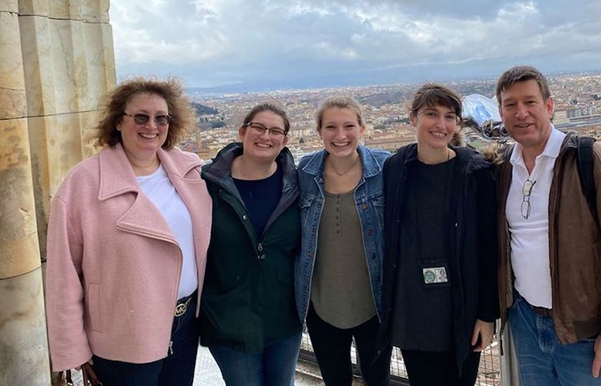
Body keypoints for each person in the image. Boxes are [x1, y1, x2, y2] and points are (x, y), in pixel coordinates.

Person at [494, 65, 601, 385]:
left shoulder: (594, 161)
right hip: (525, 323)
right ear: (501, 112)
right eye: (510, 105)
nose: (521, 113)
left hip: (586, 332)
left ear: (549, 106)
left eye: (530, 102)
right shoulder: (502, 169)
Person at [45, 78, 212, 386]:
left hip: (185, 324)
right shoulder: (83, 183)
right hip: (123, 335)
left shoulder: (190, 170)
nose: (152, 126)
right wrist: (72, 347)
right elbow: (63, 275)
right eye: (141, 117)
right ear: (118, 121)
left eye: (161, 118)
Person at [378, 83, 499, 386]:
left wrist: (487, 315)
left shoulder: (475, 172)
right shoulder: (395, 168)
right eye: (432, 114)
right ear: (413, 118)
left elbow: (489, 248)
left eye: (450, 116)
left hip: (461, 310)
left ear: (457, 123)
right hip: (413, 312)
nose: (441, 124)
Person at [200, 102, 302, 386]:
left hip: (284, 316)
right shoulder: (207, 183)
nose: (265, 136)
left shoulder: (297, 184)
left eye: (275, 131)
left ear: (285, 140)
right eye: (258, 127)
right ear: (243, 131)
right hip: (229, 316)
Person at [296, 96, 392, 386]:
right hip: (322, 306)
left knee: (378, 380)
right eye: (331, 127)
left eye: (349, 126)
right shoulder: (305, 172)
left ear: (362, 128)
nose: (341, 136)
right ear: (319, 132)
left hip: (374, 303)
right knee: (335, 380)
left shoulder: (385, 168)